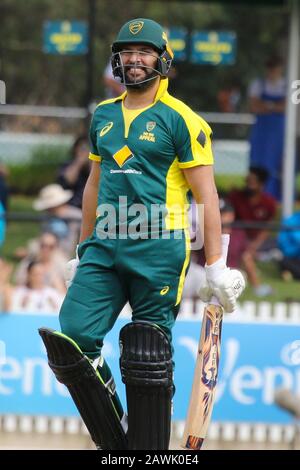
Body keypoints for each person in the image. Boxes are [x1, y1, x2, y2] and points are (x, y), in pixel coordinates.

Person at [39, 18, 245, 451]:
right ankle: (116, 440)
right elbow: (94, 185)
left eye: (145, 51)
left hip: (160, 248)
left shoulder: (182, 120)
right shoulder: (104, 115)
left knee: (147, 351)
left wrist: (217, 266)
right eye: (127, 52)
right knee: (72, 336)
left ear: (162, 59)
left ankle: (148, 449)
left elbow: (206, 193)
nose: (134, 59)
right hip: (105, 245)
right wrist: (81, 249)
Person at [228, 166, 277, 297]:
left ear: (261, 184)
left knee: (247, 255)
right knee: (245, 255)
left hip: (259, 241)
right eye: (247, 180)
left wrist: (255, 245)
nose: (248, 184)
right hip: (235, 238)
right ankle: (257, 287)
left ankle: (255, 285)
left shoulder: (269, 203)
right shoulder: (235, 197)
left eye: (253, 181)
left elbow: (268, 227)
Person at [248, 55, 286, 201]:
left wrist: (266, 105)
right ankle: (259, 196)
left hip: (279, 132)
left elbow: (289, 108)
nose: (273, 71)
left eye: (275, 67)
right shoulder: (257, 84)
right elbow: (253, 106)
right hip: (262, 132)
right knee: (259, 163)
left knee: (279, 164)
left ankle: (277, 198)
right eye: (271, 67)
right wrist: (276, 107)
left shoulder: (289, 85)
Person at [33, 184, 82, 256]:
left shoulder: (76, 216)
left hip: (67, 255)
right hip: (48, 251)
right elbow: (43, 237)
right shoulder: (47, 217)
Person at [57, 135, 91, 209]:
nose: (86, 151)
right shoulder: (68, 165)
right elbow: (68, 181)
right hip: (71, 205)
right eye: (82, 148)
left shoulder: (94, 167)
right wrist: (79, 162)